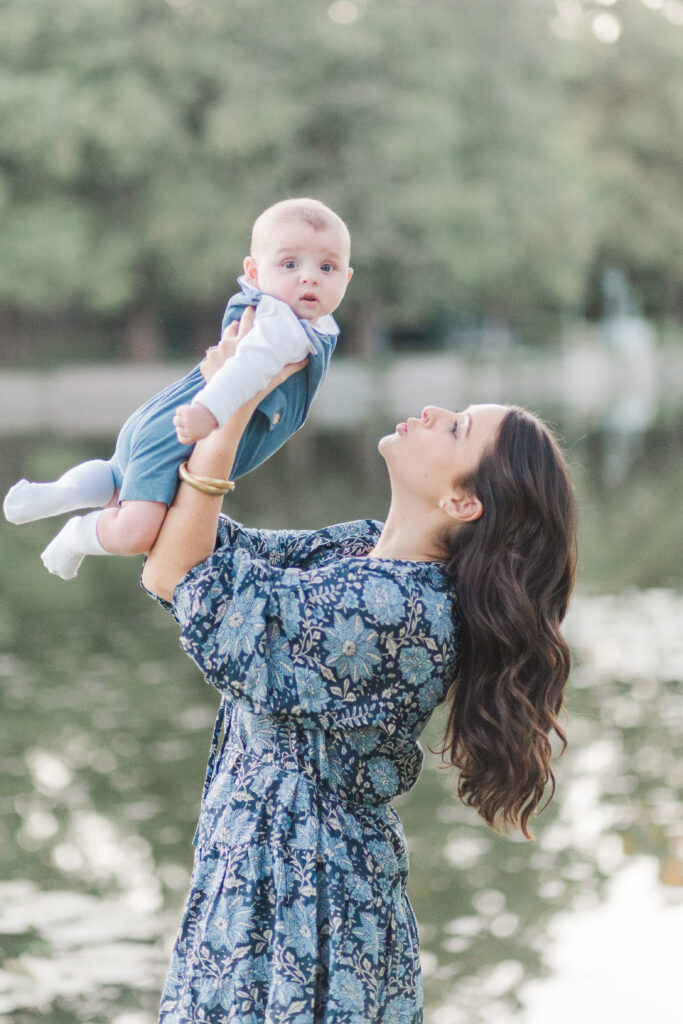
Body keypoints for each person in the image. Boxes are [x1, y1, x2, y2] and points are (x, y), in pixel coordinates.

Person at [141, 315, 577, 1024]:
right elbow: (196, 544)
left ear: (462, 501)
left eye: (456, 428)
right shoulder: (362, 552)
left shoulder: (396, 611)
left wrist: (229, 414)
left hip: (303, 906)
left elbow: (185, 580)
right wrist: (222, 390)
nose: (432, 412)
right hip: (261, 882)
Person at [2, 197, 353, 580]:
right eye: (289, 264)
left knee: (118, 475)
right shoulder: (279, 325)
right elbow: (243, 370)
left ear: (346, 279)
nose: (309, 277)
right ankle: (76, 536)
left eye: (327, 267)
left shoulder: (308, 320)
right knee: (137, 531)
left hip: (163, 419)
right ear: (254, 273)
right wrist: (208, 412)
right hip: (185, 430)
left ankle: (64, 492)